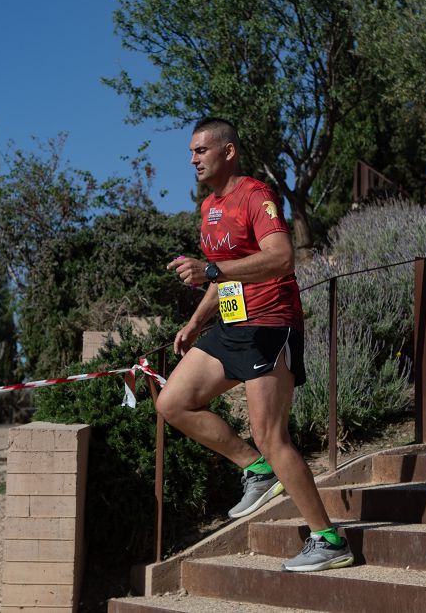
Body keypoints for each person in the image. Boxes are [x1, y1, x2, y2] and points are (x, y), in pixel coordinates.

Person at [161, 117, 353, 573]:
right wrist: (194, 322)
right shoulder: (209, 207)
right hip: (231, 326)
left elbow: (282, 258)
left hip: (270, 325)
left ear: (227, 152)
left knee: (272, 435)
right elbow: (224, 272)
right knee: (172, 402)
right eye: (190, 152)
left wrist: (211, 271)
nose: (192, 159)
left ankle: (328, 539)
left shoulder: (256, 196)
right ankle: (257, 469)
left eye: (200, 150)